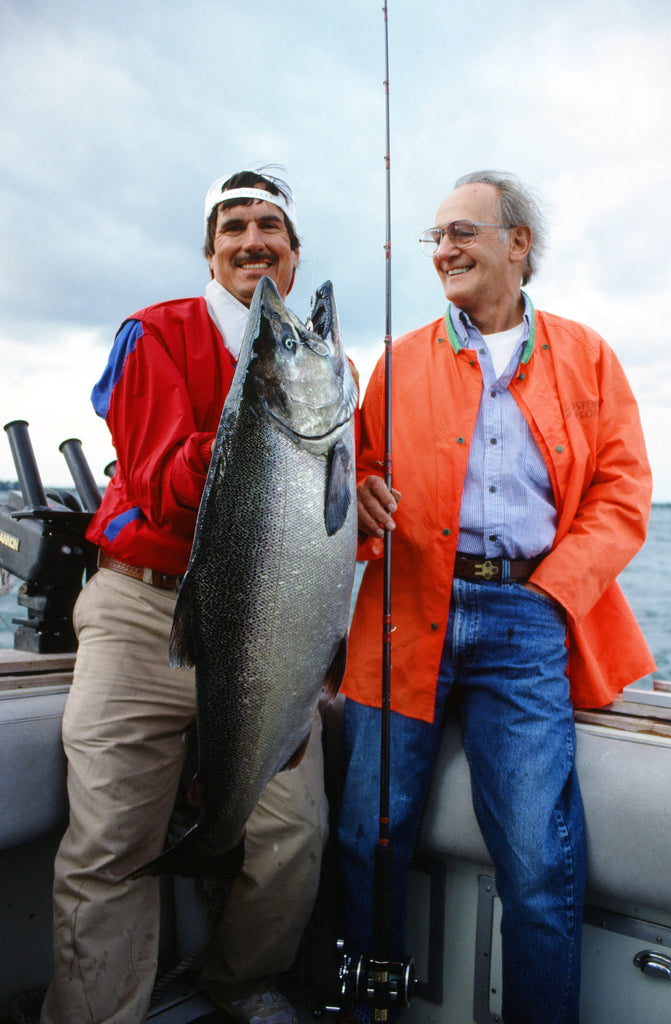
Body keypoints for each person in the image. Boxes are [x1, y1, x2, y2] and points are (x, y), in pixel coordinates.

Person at [337, 170, 655, 1024]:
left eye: (463, 233)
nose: (443, 249)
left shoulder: (587, 352)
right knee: (368, 837)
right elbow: (358, 476)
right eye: (435, 236)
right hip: (402, 611)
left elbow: (625, 493)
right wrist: (362, 494)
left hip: (527, 617)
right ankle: (373, 1006)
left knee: (541, 864)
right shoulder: (395, 362)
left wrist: (552, 597)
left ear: (519, 244)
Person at [41, 169, 328, 1024]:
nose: (252, 240)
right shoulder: (153, 334)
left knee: (292, 834)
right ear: (209, 250)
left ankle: (239, 982)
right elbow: (165, 484)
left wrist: (367, 488)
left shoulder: (317, 365)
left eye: (269, 224)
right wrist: (265, 431)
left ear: (293, 249)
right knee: (110, 846)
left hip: (270, 613)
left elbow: (340, 486)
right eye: (232, 225)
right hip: (141, 608)